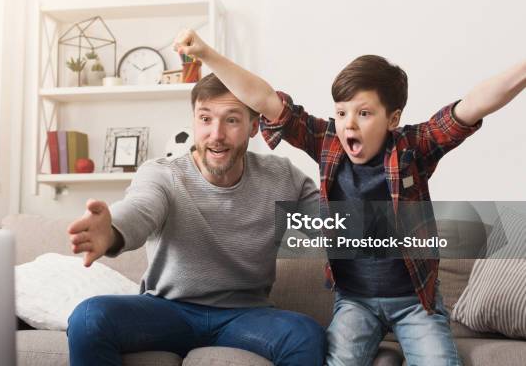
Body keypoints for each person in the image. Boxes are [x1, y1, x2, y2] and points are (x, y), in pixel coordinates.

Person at [173, 28, 526, 366]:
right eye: (341, 113)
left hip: (415, 301)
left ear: (393, 119)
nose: (349, 125)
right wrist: (205, 53)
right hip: (355, 300)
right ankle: (382, 356)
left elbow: (471, 107)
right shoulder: (327, 142)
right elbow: (265, 99)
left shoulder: (412, 148)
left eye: (364, 113)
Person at [66, 73, 325, 366]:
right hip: (167, 310)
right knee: (89, 317)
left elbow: (338, 228)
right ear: (193, 122)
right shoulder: (163, 174)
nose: (216, 134)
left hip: (247, 314)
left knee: (305, 334)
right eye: (205, 119)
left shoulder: (281, 177)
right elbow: (141, 208)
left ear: (254, 127)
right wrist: (112, 230)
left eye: (231, 120)